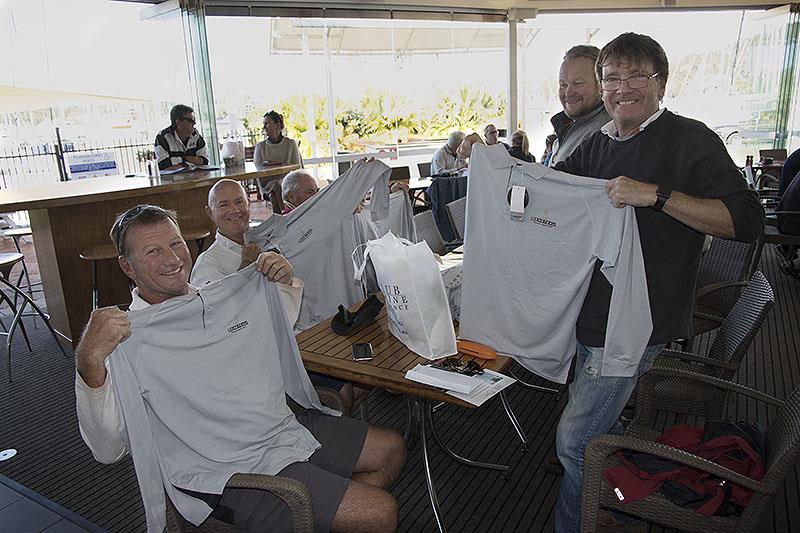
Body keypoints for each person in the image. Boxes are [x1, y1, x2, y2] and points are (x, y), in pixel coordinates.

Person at [76, 204, 405, 532]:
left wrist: (283, 282)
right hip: (224, 471)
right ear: (127, 267)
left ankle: (325, 516)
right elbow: (108, 450)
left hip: (279, 429)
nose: (172, 258)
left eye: (176, 243)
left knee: (391, 450)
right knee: (380, 512)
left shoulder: (219, 298)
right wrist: (89, 364)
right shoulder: (123, 341)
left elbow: (277, 329)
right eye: (152, 251)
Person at [551, 33, 764, 532]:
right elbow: (554, 192)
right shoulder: (597, 143)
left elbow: (747, 220)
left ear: (660, 82)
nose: (622, 88)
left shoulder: (690, 139)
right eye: (611, 78)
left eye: (635, 76)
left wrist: (657, 196)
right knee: (589, 428)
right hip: (590, 313)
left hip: (635, 321)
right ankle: (607, 511)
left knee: (576, 442)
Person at [549, 45, 611, 167]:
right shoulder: (571, 127)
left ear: (602, 85)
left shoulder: (606, 133)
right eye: (563, 85)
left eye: (578, 83)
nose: (568, 93)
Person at [155, 104, 209, 171]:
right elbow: (162, 164)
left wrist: (182, 165)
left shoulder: (196, 135)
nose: (194, 123)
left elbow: (204, 161)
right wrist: (188, 159)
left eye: (194, 120)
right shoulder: (163, 137)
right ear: (178, 123)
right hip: (172, 180)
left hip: (195, 178)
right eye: (190, 120)